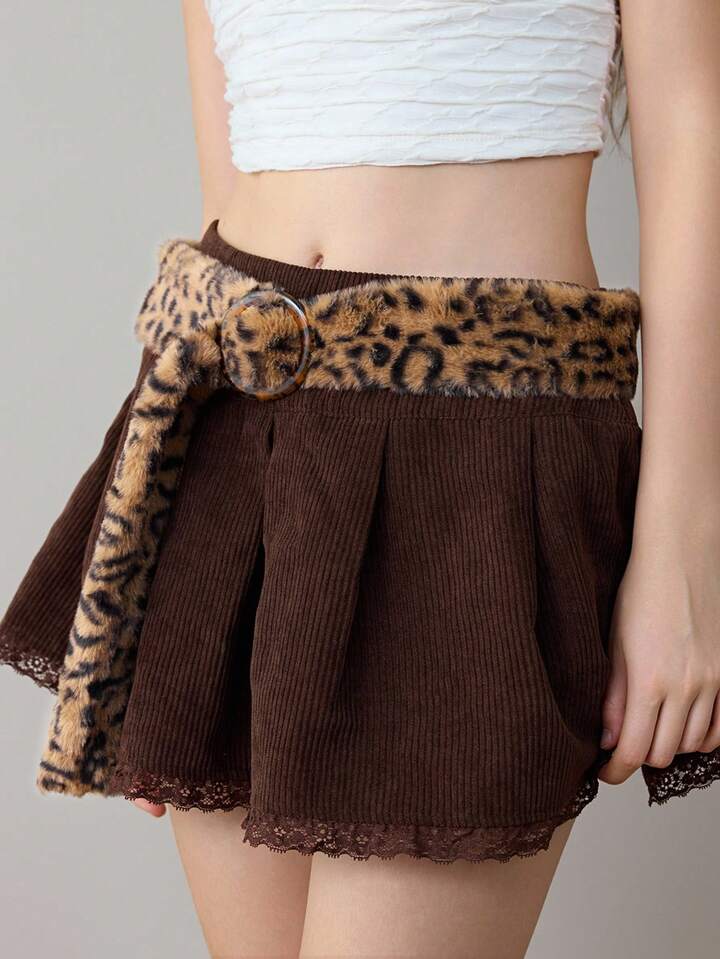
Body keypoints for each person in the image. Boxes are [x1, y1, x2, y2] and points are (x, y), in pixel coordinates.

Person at [1, 1, 719, 957]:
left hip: (474, 452)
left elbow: (695, 126)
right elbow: (234, 148)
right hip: (232, 428)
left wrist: (683, 553)